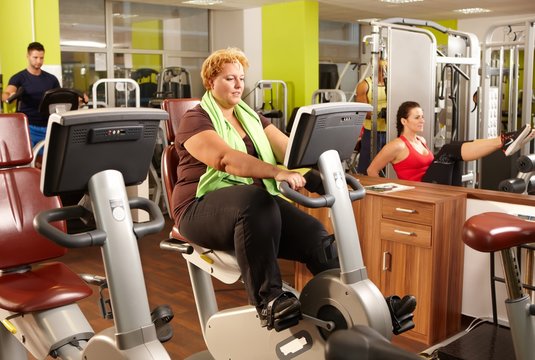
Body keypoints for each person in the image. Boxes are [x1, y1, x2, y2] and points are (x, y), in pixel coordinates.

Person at [171, 48, 338, 330]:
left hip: (253, 206)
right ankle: (269, 301)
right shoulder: (196, 119)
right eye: (229, 78)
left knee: (315, 236)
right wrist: (277, 172)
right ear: (210, 82)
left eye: (241, 78)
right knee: (255, 201)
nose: (238, 85)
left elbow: (288, 150)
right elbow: (225, 159)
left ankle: (347, 299)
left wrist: (319, 170)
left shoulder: (251, 117)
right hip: (198, 208)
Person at [367, 101, 535, 186]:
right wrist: (391, 190)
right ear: (404, 121)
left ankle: (503, 141)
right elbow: (371, 170)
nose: (422, 120)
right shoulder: (397, 145)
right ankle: (504, 140)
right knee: (448, 149)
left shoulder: (421, 140)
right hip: (420, 190)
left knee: (455, 149)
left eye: (422, 116)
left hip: (433, 186)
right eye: (417, 117)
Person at [2, 42, 60, 147]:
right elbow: (6, 93)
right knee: (30, 159)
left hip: (49, 125)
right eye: (35, 57)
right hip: (28, 126)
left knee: (47, 160)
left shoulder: (51, 79)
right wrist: (8, 96)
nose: (38, 61)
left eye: (41, 58)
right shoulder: (19, 77)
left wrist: (78, 99)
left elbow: (61, 98)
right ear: (28, 56)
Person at [355, 58, 387, 174]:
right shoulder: (364, 85)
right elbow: (363, 112)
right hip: (372, 132)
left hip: (392, 131)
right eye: (381, 69)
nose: (383, 71)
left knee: (388, 168)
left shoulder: (394, 84)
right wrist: (381, 113)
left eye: (385, 68)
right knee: (368, 167)